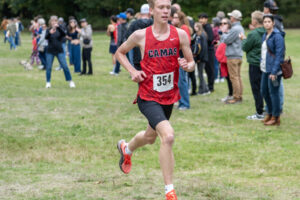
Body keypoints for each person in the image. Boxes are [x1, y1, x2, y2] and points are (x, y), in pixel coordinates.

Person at [115, 0, 195, 199]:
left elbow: (192, 62)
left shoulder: (180, 35)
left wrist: (188, 65)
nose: (165, 11)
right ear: (151, 11)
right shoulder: (140, 36)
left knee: (150, 138)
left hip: (168, 97)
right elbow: (120, 53)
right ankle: (170, 191)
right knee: (167, 136)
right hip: (147, 96)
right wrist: (133, 71)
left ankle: (127, 147)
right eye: (161, 7)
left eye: (168, 7)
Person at [239, 11, 265, 120]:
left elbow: (245, 47)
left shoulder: (253, 34)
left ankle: (259, 113)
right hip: (265, 63)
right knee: (264, 88)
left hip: (254, 63)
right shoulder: (266, 31)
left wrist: (243, 39)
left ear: (254, 20)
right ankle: (267, 109)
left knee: (256, 88)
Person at [260, 14, 285, 126]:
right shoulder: (265, 35)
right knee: (264, 91)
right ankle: (269, 113)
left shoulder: (277, 36)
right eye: (265, 22)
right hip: (265, 69)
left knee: (274, 93)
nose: (267, 23)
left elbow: (280, 55)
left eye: (269, 21)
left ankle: (276, 117)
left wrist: (274, 72)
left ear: (273, 23)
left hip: (274, 70)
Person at [45, 15, 75, 89]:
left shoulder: (60, 28)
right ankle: (48, 82)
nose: (54, 22)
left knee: (65, 66)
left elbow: (64, 34)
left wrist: (58, 27)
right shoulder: (48, 29)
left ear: (57, 22)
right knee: (48, 67)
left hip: (59, 50)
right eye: (52, 21)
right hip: (50, 51)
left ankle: (70, 81)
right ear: (50, 22)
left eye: (55, 21)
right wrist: (50, 33)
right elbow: (46, 37)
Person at [223, 10, 244, 104]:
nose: (230, 18)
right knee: (238, 77)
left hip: (233, 56)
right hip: (238, 54)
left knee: (234, 77)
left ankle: (236, 97)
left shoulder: (235, 29)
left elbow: (227, 40)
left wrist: (224, 33)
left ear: (234, 18)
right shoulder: (240, 27)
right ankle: (239, 95)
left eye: (231, 16)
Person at [172, 10, 192, 110]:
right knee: (177, 82)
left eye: (176, 17)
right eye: (173, 17)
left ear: (180, 19)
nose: (173, 19)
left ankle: (185, 104)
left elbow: (186, 43)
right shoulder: (177, 28)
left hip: (182, 58)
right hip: (177, 58)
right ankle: (181, 102)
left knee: (181, 82)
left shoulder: (184, 28)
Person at [125, 4, 153, 70]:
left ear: (141, 13)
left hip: (137, 56)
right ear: (150, 12)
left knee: (140, 78)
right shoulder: (154, 23)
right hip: (152, 56)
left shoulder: (134, 24)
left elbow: (127, 37)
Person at [216, 18, 233, 102]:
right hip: (223, 58)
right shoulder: (224, 33)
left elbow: (226, 42)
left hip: (229, 58)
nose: (222, 25)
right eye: (221, 23)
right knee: (227, 76)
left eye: (224, 23)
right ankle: (230, 93)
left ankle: (232, 94)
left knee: (230, 77)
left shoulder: (230, 33)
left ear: (229, 24)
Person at [198, 13, 215, 93]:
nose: (201, 20)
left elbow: (211, 39)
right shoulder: (202, 27)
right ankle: (208, 85)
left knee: (210, 69)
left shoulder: (208, 27)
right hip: (205, 51)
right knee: (206, 69)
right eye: (200, 18)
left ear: (206, 19)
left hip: (209, 51)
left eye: (203, 18)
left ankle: (211, 86)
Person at [192, 22, 209, 95]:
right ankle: (205, 88)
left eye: (195, 26)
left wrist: (199, 58)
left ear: (198, 27)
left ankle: (202, 90)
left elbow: (202, 48)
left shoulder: (201, 35)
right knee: (200, 73)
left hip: (202, 58)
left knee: (200, 74)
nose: (194, 27)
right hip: (202, 57)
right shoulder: (200, 35)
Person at [212, 17, 223, 83]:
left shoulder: (213, 30)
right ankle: (222, 77)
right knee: (221, 64)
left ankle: (216, 77)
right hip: (221, 48)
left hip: (215, 49)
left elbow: (213, 39)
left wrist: (214, 43)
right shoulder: (221, 29)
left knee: (215, 64)